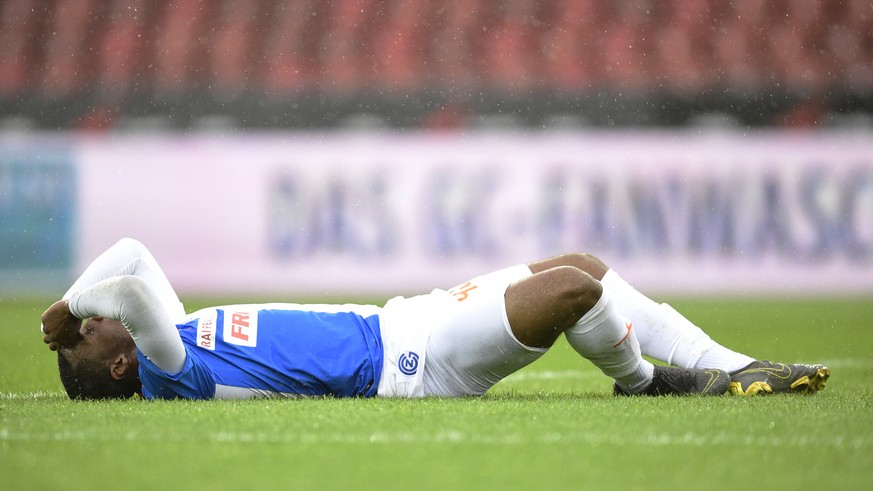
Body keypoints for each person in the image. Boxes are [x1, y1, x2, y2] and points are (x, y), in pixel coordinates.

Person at [40, 238, 829, 400]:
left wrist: (66, 307)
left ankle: (730, 363)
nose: (92, 322)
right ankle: (646, 382)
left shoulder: (170, 333)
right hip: (412, 368)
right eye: (89, 338)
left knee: (585, 266)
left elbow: (138, 255)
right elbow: (131, 294)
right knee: (572, 292)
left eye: (86, 323)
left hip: (403, 323)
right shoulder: (171, 374)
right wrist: (74, 306)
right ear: (119, 362)